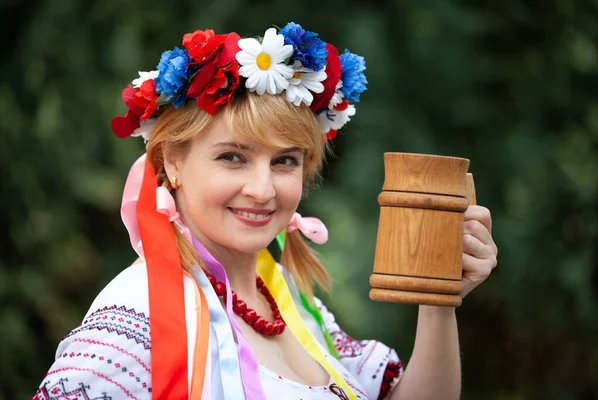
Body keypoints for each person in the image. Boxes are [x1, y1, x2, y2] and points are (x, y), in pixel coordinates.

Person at [32, 22, 498, 400]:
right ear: (172, 161)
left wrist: (439, 301)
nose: (262, 189)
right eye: (232, 157)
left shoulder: (291, 301)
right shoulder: (136, 321)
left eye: (284, 162)